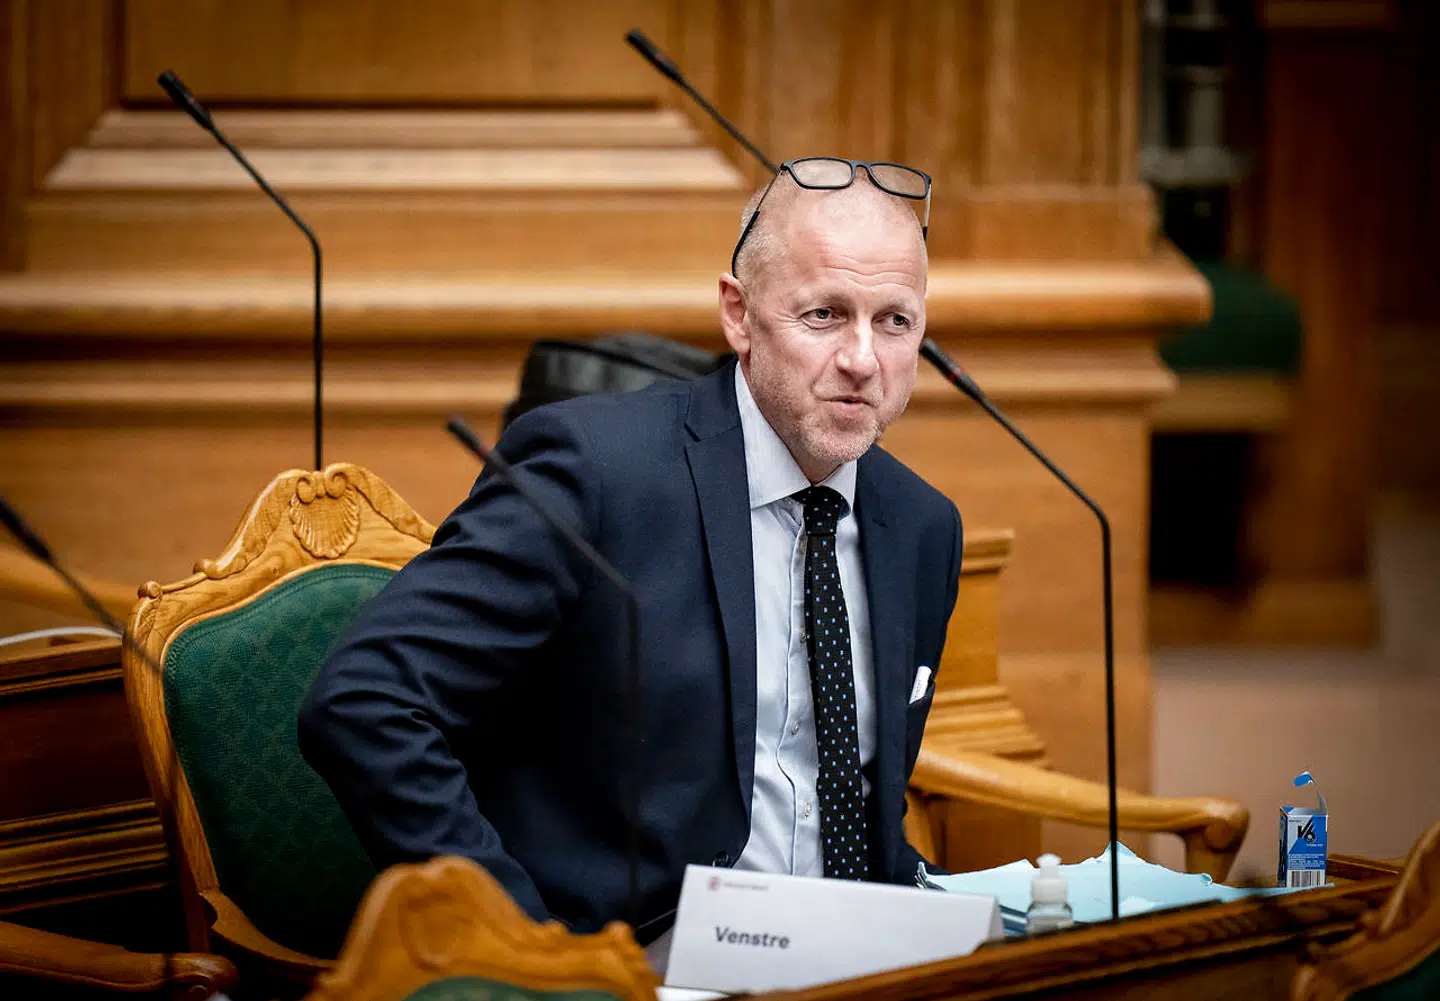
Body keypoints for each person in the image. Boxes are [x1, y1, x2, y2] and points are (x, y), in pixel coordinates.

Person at [298, 163, 964, 949]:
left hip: (854, 951)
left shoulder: (922, 526)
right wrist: (524, 947)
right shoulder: (595, 471)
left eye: (895, 321)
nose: (862, 358)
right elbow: (364, 700)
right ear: (739, 314)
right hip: (626, 961)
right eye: (824, 314)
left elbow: (859, 809)